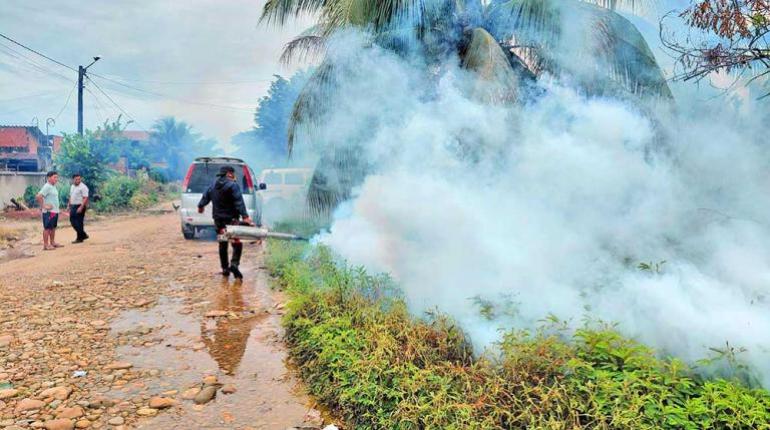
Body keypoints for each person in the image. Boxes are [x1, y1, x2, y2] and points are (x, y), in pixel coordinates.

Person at [197, 166, 253, 279]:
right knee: (236, 242)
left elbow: (205, 198)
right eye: (233, 174)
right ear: (229, 174)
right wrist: (245, 216)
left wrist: (200, 206)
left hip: (218, 221)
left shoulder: (212, 186)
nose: (234, 176)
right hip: (231, 221)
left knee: (223, 243)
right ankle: (234, 264)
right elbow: (239, 202)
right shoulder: (233, 185)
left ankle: (225, 269)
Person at [36, 171, 62, 251]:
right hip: (48, 212)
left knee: (53, 227)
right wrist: (43, 206)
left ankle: (52, 242)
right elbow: (38, 196)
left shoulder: (53, 186)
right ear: (49, 178)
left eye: (57, 177)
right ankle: (46, 245)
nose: (56, 179)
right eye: (55, 177)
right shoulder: (47, 186)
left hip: (54, 211)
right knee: (47, 228)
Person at [68, 173, 90, 243]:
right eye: (76, 179)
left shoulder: (83, 187)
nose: (78, 180)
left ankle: (79, 238)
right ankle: (83, 235)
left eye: (79, 179)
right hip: (73, 206)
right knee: (72, 221)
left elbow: (85, 198)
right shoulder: (72, 186)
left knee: (79, 222)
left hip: (80, 206)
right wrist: (68, 205)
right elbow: (70, 196)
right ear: (73, 179)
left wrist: (81, 207)